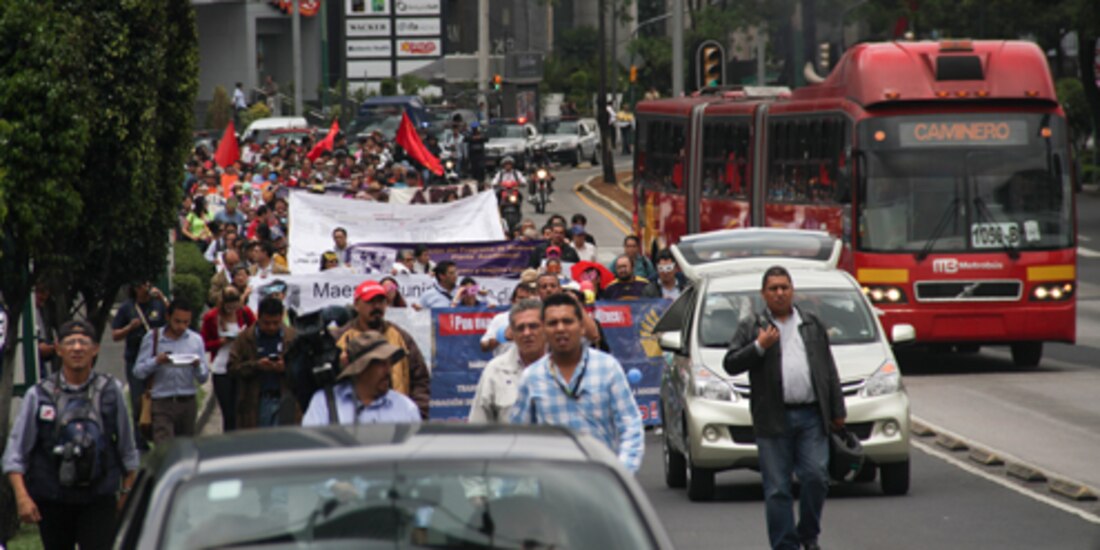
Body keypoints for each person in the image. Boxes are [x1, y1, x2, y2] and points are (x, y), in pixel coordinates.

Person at [723, 266, 846, 550]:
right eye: (773, 289)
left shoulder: (811, 324)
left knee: (816, 477)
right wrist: (759, 346)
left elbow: (828, 368)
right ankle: (784, 545)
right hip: (772, 419)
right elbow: (731, 363)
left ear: (793, 290)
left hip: (811, 416)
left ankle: (808, 535)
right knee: (778, 488)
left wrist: (837, 410)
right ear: (763, 294)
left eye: (784, 287)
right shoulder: (752, 325)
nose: (780, 293)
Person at [2, 321, 139, 550]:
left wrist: (127, 491)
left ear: (95, 349)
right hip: (53, 499)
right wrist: (22, 497)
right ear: (58, 349)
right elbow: (15, 453)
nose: (77, 348)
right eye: (70, 342)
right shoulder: (39, 395)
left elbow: (128, 448)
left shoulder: (110, 390)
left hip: (99, 498)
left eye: (83, 343)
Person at [509, 294, 643, 473]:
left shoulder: (607, 368)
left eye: (567, 321)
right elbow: (518, 437)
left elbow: (630, 425)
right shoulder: (532, 377)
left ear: (581, 327)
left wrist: (622, 472)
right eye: (552, 323)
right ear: (544, 330)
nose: (560, 328)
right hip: (553, 484)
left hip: (602, 481)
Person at [335, 281, 431, 418]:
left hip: (397, 419)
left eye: (381, 302)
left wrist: (418, 414)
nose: (377, 307)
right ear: (356, 305)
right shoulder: (339, 338)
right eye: (370, 302)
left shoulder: (400, 336)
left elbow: (421, 380)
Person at [133, 298, 210, 446]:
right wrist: (156, 361)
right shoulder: (153, 338)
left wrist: (197, 365)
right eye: (177, 321)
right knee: (165, 448)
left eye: (186, 322)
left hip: (187, 401)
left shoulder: (195, 340)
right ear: (168, 317)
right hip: (162, 401)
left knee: (186, 447)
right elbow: (138, 371)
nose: (181, 326)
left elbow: (203, 377)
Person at [301, 331, 421, 425]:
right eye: (380, 363)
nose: (388, 370)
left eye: (389, 363)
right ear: (361, 368)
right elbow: (310, 446)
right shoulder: (324, 403)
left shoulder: (405, 408)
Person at [110, 281, 169, 451]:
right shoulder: (127, 308)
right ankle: (140, 443)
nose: (146, 288)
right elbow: (115, 334)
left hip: (157, 359)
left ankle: (159, 437)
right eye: (143, 285)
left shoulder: (157, 304)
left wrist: (163, 299)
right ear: (135, 288)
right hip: (135, 359)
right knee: (138, 401)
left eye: (148, 285)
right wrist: (129, 327)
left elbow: (172, 319)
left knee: (159, 400)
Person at [228, 297, 299, 429]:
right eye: (266, 323)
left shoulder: (293, 337)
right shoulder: (245, 338)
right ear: (258, 317)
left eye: (275, 323)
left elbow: (305, 368)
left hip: (286, 400)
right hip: (256, 402)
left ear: (282, 318)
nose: (271, 327)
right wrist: (256, 366)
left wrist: (286, 368)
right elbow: (232, 368)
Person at [469, 299, 545, 423]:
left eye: (533, 326)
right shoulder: (495, 370)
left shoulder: (563, 366)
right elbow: (478, 424)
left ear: (546, 328)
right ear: (512, 333)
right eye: (520, 328)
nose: (527, 333)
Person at [201, 287, 256, 432]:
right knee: (228, 412)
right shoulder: (212, 317)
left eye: (235, 306)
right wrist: (220, 342)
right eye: (228, 306)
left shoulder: (245, 313)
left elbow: (256, 332)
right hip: (221, 368)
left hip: (241, 366)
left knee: (242, 410)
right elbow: (203, 344)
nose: (232, 310)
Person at [480, 282, 537, 355]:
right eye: (521, 298)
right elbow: (484, 345)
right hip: (503, 361)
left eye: (527, 299)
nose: (524, 302)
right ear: (513, 300)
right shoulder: (500, 319)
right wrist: (502, 337)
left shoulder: (539, 320)